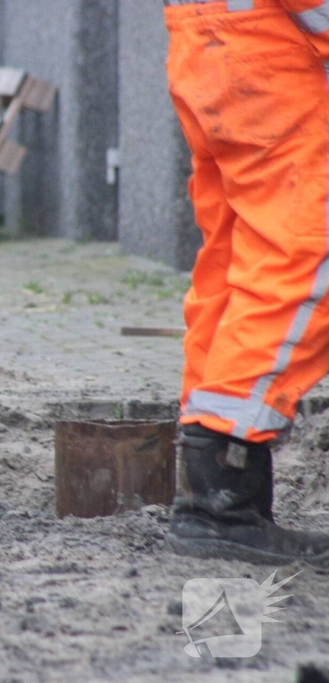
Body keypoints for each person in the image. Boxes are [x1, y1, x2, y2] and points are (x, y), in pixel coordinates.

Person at [164, 0, 329, 564]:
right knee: (308, 263)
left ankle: (217, 494)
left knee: (236, 268)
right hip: (274, 59)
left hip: (210, 50)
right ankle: (221, 506)